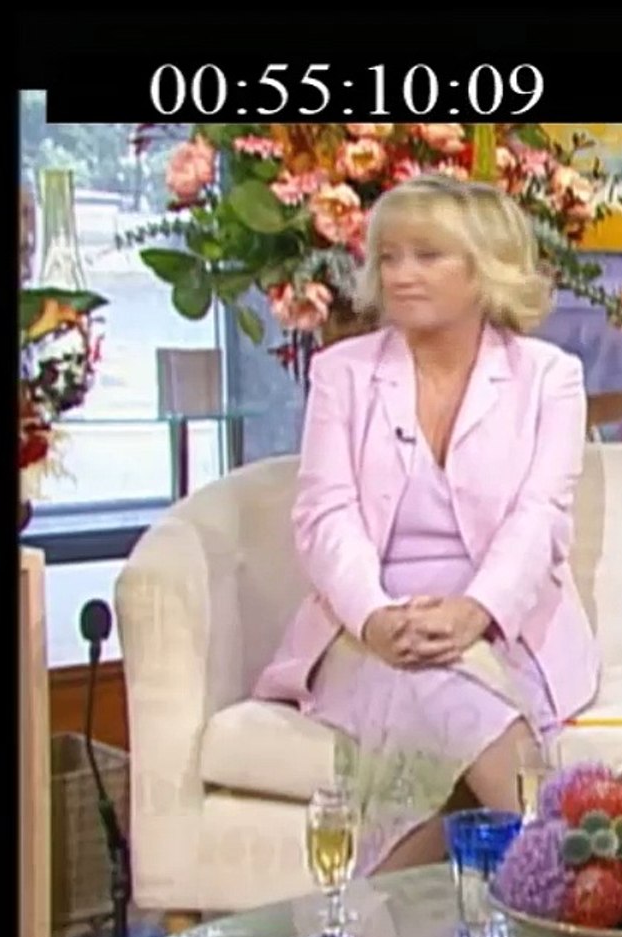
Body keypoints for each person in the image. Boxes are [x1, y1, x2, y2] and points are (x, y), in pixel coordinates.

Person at [253, 175, 599, 876]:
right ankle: (575, 874)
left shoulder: (548, 377)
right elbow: (325, 515)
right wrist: (377, 618)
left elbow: (540, 516)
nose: (401, 275)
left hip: (501, 621)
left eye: (427, 256)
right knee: (426, 682)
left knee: (442, 690)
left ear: (486, 268)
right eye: (389, 257)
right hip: (366, 624)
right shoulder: (342, 373)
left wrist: (475, 612)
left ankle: (367, 926)